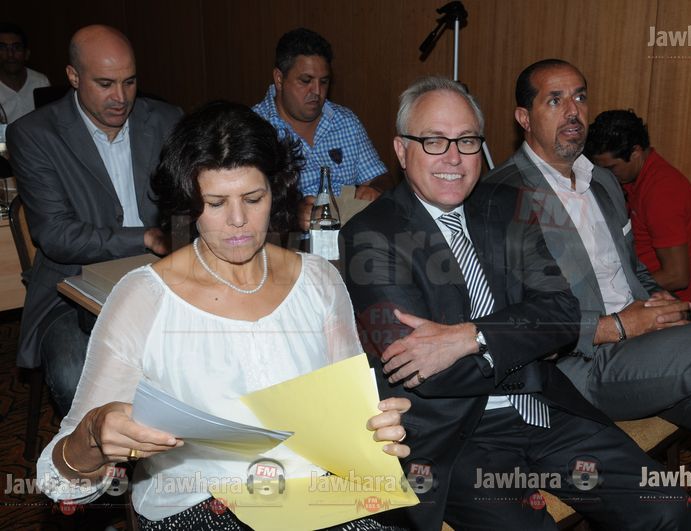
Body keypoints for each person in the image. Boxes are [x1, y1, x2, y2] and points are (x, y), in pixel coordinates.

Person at [343, 76, 691, 531]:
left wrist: (472, 337)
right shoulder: (370, 234)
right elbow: (421, 370)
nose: (453, 157)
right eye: (434, 141)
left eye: (467, 140)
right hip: (457, 436)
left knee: (669, 508)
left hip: (543, 405)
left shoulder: (508, 205)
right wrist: (525, 343)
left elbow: (562, 312)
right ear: (400, 149)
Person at [35, 100, 411, 530]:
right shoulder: (146, 298)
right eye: (215, 203)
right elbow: (55, 479)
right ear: (188, 204)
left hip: (314, 497)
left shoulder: (318, 280)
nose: (238, 221)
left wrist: (376, 430)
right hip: (200, 506)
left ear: (276, 190)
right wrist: (92, 437)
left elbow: (346, 417)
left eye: (253, 198)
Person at [483, 58, 691, 531]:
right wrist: (619, 325)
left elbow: (633, 269)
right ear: (524, 117)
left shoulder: (604, 181)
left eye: (580, 97)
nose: (573, 111)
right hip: (579, 367)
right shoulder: (500, 194)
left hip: (642, 351)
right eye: (555, 100)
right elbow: (513, 315)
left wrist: (658, 304)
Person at [7, 25, 182, 415]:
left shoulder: (166, 119)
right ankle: (104, 455)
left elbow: (192, 201)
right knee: (75, 375)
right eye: (105, 84)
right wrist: (147, 237)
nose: (121, 97)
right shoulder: (34, 134)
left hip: (162, 280)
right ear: (73, 76)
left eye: (129, 82)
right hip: (70, 289)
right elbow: (56, 235)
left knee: (201, 360)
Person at [252, 27, 387, 230]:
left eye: (324, 82)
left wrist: (375, 190)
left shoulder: (345, 122)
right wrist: (292, 214)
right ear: (279, 79)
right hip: (285, 241)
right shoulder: (253, 129)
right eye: (305, 81)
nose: (316, 91)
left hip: (347, 238)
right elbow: (243, 205)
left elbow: (381, 178)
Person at [585, 109, 691, 303]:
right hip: (636, 291)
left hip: (658, 302)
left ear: (636, 152)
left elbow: (677, 275)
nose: (605, 175)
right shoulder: (632, 179)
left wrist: (612, 289)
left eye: (611, 168)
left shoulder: (662, 191)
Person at [0, 22, 50, 124]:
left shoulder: (40, 82)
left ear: (26, 53)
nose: (10, 54)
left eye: (16, 48)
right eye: (3, 48)